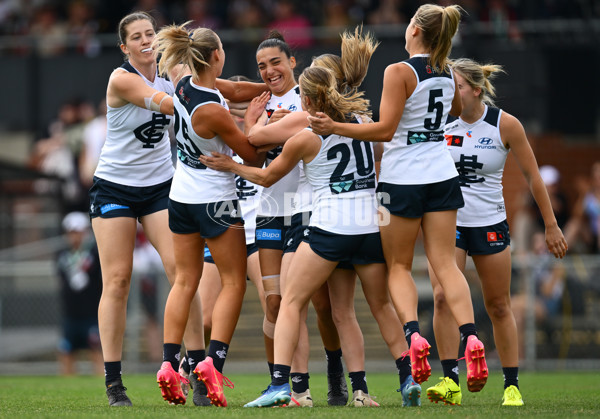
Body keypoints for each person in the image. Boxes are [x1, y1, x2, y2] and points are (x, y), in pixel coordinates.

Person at [200, 65, 418, 408]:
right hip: (370, 226)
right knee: (371, 308)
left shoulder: (306, 135)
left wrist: (232, 167)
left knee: (290, 301)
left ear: (310, 98)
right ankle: (394, 381)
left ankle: (280, 385)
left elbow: (268, 177)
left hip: (331, 228)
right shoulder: (360, 120)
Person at [308, 3, 488, 392]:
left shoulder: (399, 71)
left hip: (403, 179)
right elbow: (456, 108)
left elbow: (385, 130)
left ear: (416, 32)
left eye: (409, 22)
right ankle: (471, 336)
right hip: (442, 174)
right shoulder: (447, 71)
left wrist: (332, 124)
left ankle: (414, 337)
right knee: (446, 265)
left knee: (399, 266)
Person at [424, 58, 568, 407]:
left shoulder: (506, 125)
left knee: (499, 305)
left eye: (456, 87)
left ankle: (511, 385)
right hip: (449, 224)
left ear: (475, 89)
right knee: (442, 297)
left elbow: (534, 177)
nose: (451, 95)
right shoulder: (439, 124)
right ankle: (450, 381)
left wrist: (551, 225)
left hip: (490, 223)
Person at [89, 12, 205, 407]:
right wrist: (198, 94)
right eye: (136, 37)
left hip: (160, 187)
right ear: (124, 47)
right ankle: (114, 382)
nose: (144, 41)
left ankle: (200, 367)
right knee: (118, 279)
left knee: (183, 272)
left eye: (149, 34)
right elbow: (169, 104)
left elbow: (206, 92)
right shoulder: (122, 79)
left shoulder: (173, 70)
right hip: (115, 187)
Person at [151, 22, 265, 407]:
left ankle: (168, 365)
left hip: (180, 195)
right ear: (217, 56)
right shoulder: (213, 110)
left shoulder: (183, 83)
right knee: (234, 282)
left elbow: (230, 89)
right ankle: (212, 365)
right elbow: (252, 155)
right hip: (214, 199)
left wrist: (267, 89)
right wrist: (254, 122)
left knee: (184, 281)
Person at [56, 211, 103, 376]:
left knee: (96, 351)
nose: (75, 237)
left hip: (91, 313)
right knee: (67, 352)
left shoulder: (95, 254)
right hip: (70, 314)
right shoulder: (62, 256)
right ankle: (65, 388)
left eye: (78, 232)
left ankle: (105, 383)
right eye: (71, 233)